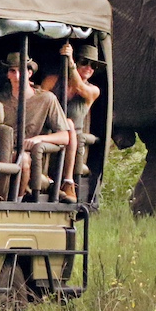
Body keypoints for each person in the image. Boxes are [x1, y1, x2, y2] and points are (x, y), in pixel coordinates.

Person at [0, 55, 65, 198]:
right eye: (12, 71)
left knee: (23, 159)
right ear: (8, 74)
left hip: (30, 156)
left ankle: (16, 201)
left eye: (21, 70)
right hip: (1, 153)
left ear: (30, 73)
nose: (17, 76)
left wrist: (39, 139)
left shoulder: (46, 99)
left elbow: (65, 136)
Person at [55, 42, 103, 200]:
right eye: (84, 62)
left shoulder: (93, 90)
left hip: (72, 136)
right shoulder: (55, 80)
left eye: (93, 65)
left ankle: (68, 182)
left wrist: (70, 63)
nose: (88, 68)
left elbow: (80, 88)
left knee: (69, 123)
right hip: (50, 130)